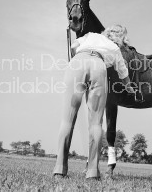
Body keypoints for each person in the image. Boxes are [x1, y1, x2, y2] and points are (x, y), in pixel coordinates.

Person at [53, 25, 139, 180]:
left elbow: (73, 46)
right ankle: (92, 172)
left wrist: (75, 59)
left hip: (77, 63)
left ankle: (59, 170)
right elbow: (123, 73)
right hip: (99, 67)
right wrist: (130, 88)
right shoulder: (114, 48)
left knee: (67, 121)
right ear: (121, 38)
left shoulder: (90, 35)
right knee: (96, 124)